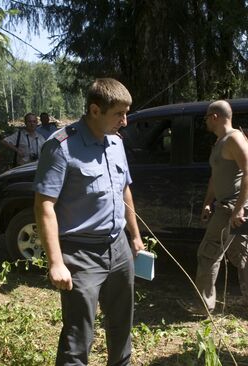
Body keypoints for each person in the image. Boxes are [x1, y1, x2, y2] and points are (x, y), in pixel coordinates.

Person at [33, 78, 145, 366]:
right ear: (95, 110)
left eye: (126, 113)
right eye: (119, 114)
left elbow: (124, 191)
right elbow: (44, 206)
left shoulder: (116, 143)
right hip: (80, 254)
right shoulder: (60, 147)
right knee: (78, 335)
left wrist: (135, 235)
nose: (125, 121)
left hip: (118, 249)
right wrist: (55, 262)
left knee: (122, 325)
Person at [193, 100, 248, 314]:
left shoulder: (234, 138)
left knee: (208, 253)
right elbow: (215, 178)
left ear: (215, 116)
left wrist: (238, 209)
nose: (205, 122)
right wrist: (207, 202)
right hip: (224, 205)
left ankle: (204, 306)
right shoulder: (219, 143)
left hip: (232, 208)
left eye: (206, 117)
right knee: (240, 251)